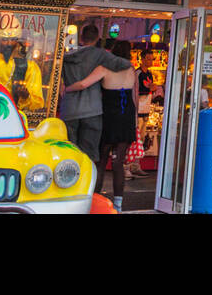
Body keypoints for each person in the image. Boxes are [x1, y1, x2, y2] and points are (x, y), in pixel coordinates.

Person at [64, 39, 140, 212]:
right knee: (118, 163)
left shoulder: (104, 67)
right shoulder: (131, 69)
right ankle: (119, 205)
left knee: (100, 161)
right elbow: (134, 97)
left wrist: (67, 89)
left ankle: (93, 200)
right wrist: (134, 122)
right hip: (126, 116)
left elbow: (84, 84)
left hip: (108, 117)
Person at [59, 23, 132, 190]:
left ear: (82, 38)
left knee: (69, 151)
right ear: (97, 38)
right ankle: (83, 189)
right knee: (90, 154)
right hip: (92, 111)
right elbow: (124, 64)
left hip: (69, 110)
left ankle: (67, 188)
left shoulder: (66, 55)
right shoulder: (100, 55)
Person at [131, 50, 155, 176]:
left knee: (141, 137)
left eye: (152, 59)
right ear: (143, 59)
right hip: (138, 109)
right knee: (136, 138)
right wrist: (149, 88)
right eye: (149, 58)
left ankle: (136, 164)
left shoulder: (149, 73)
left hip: (146, 108)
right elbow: (136, 90)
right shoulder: (138, 73)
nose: (150, 61)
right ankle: (132, 164)